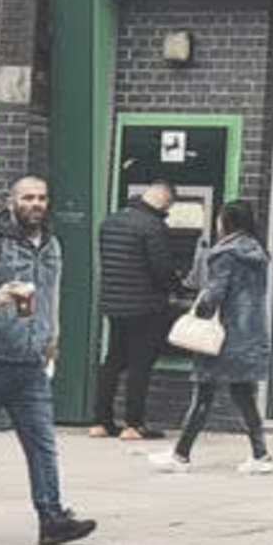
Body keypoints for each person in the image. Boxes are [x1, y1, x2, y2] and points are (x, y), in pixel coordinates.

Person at [0, 173, 98, 545]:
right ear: (11, 202)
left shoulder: (53, 245)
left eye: (42, 198)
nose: (36, 204)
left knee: (42, 443)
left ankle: (51, 518)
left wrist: (52, 337)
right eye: (27, 198)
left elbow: (51, 295)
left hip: (30, 365)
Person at [150, 199, 273, 473]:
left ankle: (180, 455)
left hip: (223, 337)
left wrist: (197, 312)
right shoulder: (258, 252)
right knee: (244, 396)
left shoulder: (225, 253)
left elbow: (215, 292)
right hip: (251, 334)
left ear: (226, 222)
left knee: (203, 394)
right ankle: (261, 454)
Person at [91, 175, 184, 443]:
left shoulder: (111, 221)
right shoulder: (153, 226)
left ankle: (100, 421)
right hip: (145, 305)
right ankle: (133, 424)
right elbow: (161, 269)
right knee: (140, 364)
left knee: (113, 361)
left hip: (114, 303)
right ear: (165, 201)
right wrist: (179, 289)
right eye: (169, 206)